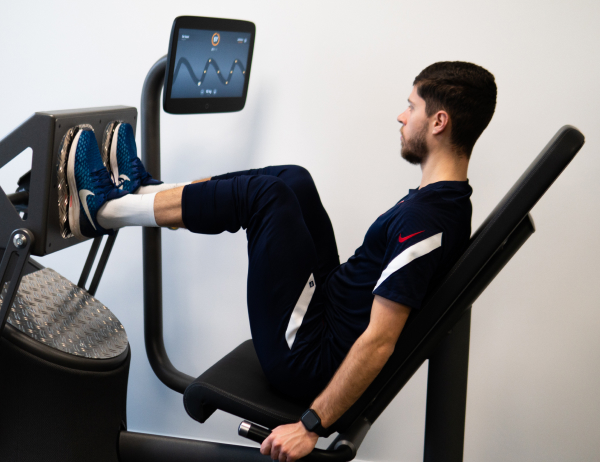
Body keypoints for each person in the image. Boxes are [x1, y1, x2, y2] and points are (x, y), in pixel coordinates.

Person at [63, 61, 496, 462]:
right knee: (293, 179)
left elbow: (380, 340)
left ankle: (104, 210)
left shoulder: (427, 222)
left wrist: (310, 425)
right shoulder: (446, 201)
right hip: (329, 308)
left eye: (411, 107)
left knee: (266, 197)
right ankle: (146, 192)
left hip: (307, 357)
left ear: (439, 122)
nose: (402, 117)